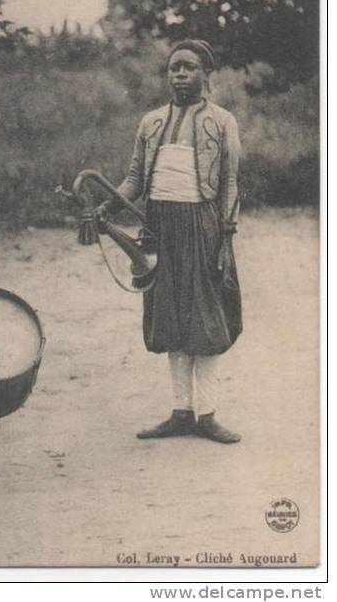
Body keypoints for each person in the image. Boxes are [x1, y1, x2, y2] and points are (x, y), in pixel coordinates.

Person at [100, 39, 243, 444]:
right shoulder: (151, 123)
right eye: (173, 68)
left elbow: (231, 183)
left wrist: (225, 238)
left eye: (189, 67)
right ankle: (181, 412)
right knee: (171, 317)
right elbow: (133, 179)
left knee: (206, 317)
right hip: (159, 227)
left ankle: (208, 414)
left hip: (203, 226)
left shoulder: (222, 121)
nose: (180, 74)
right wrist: (107, 210)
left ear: (206, 74)